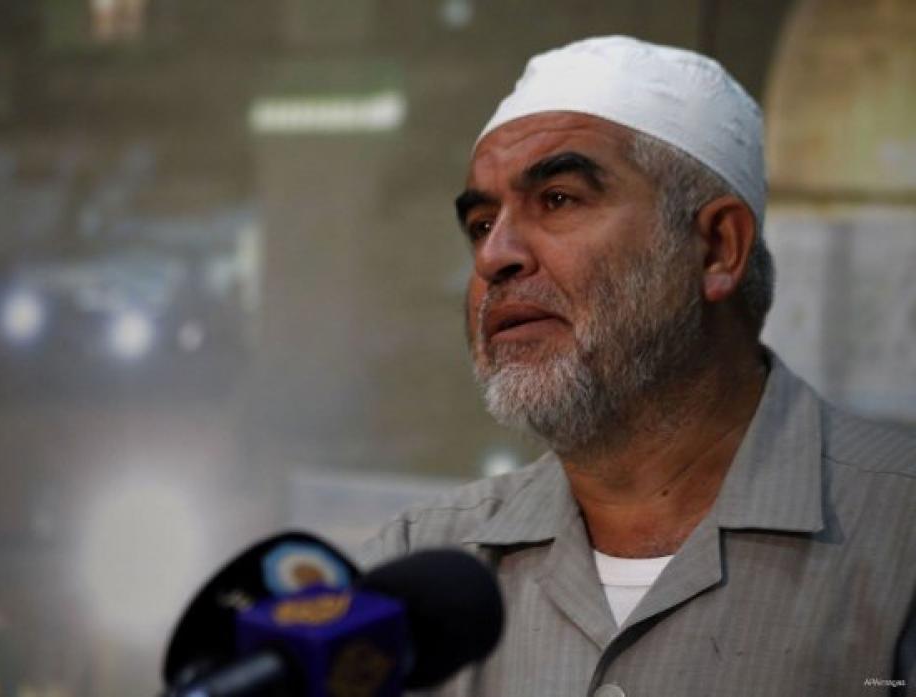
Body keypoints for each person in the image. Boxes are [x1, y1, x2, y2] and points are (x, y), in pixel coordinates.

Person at [361, 36, 916, 696]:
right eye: (482, 223)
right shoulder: (413, 573)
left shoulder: (899, 537)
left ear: (717, 247)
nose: (493, 256)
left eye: (558, 199)